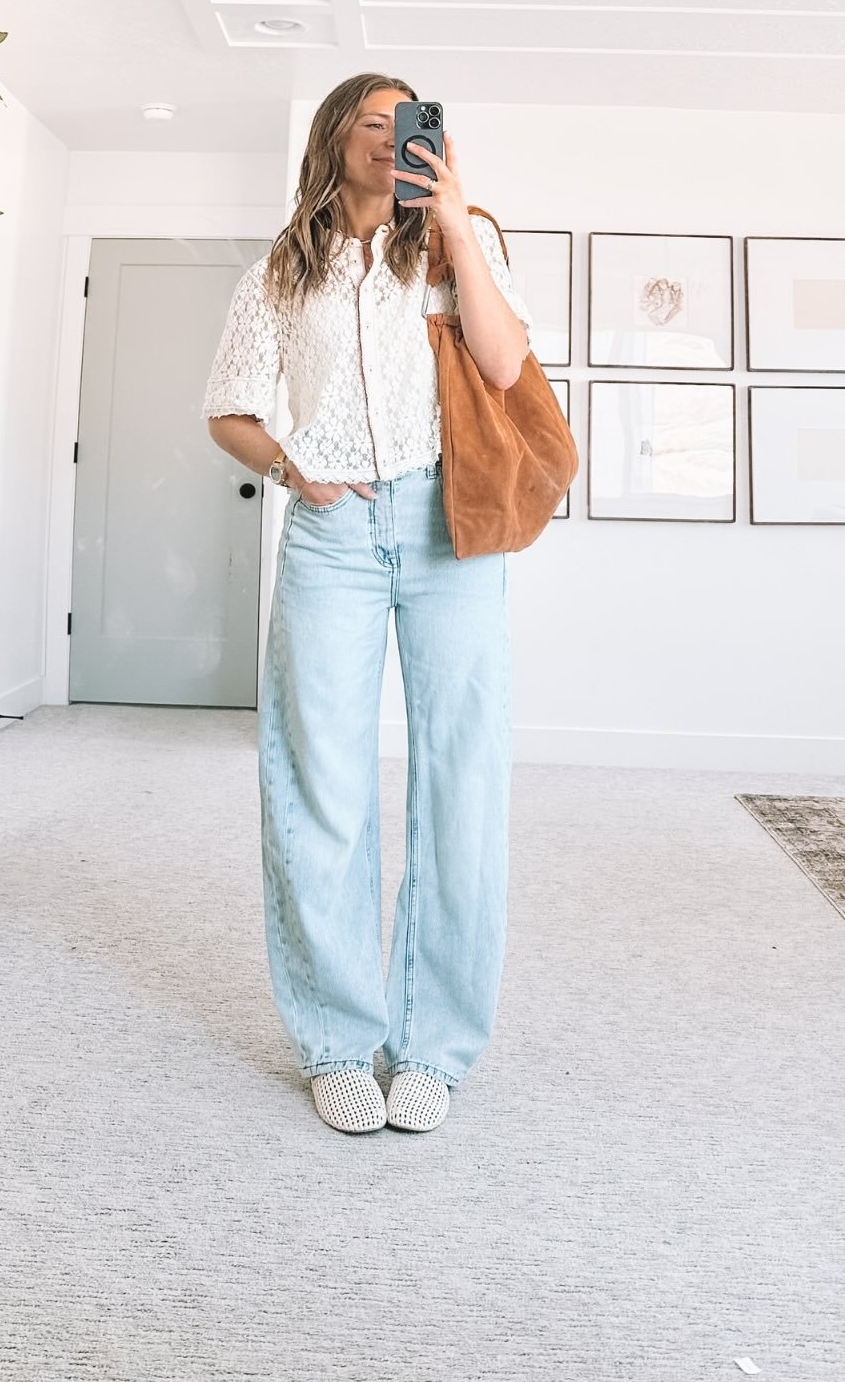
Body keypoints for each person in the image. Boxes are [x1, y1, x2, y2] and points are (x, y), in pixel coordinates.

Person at [200, 73, 534, 1136]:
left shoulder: (456, 240)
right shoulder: (279, 272)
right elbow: (228, 411)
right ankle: (339, 1041)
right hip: (332, 534)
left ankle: (432, 1047)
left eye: (410, 124)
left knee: (461, 780)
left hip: (452, 526)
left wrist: (456, 221)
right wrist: (292, 470)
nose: (394, 139)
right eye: (374, 122)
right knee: (322, 782)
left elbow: (503, 362)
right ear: (334, 137)